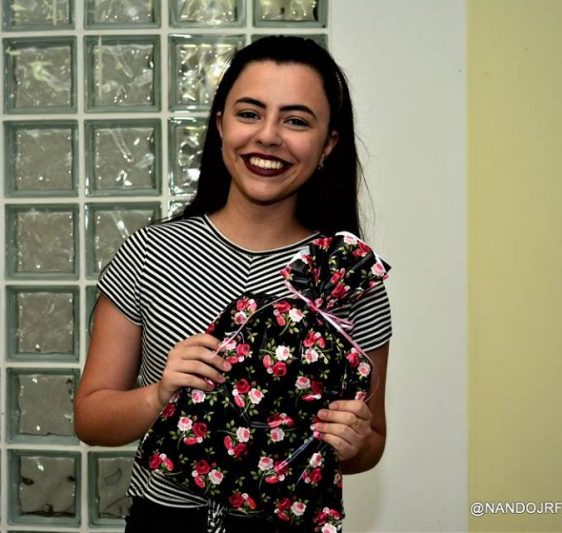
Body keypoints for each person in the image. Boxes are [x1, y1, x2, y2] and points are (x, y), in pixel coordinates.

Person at [74, 36, 392, 533]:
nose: (268, 136)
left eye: (296, 120)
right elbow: (91, 418)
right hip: (165, 523)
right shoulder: (149, 253)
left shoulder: (345, 276)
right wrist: (159, 395)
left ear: (328, 145)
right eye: (249, 113)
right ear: (221, 124)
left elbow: (372, 444)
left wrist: (353, 442)